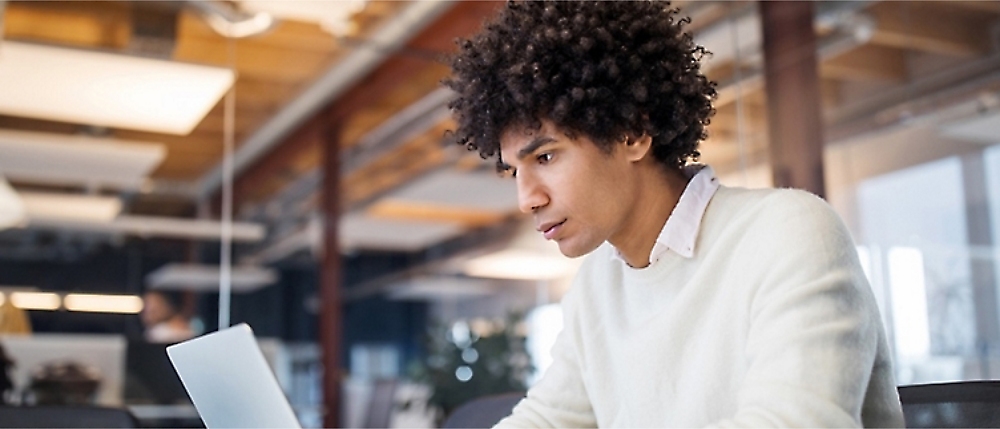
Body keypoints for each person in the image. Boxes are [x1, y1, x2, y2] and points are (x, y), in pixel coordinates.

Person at [444, 2, 904, 427]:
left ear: (632, 133)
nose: (527, 200)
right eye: (513, 172)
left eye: (545, 157)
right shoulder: (596, 288)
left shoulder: (788, 233)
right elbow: (543, 420)